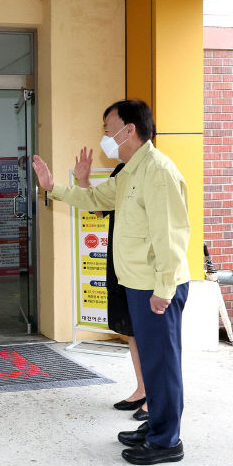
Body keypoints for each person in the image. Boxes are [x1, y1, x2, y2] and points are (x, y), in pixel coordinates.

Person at [32, 99, 190, 465]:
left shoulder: (158, 171)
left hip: (156, 286)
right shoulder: (129, 171)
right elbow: (95, 197)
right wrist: (53, 187)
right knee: (152, 361)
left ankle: (167, 441)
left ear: (129, 130)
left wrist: (164, 289)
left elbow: (171, 236)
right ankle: (155, 427)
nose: (105, 137)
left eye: (108, 129)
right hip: (137, 283)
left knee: (162, 362)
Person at [74, 149, 148, 422]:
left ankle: (155, 398)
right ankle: (142, 389)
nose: (109, 138)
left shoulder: (152, 171)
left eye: (111, 129)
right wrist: (83, 181)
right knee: (131, 329)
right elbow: (99, 206)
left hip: (142, 265)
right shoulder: (121, 171)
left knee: (148, 333)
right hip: (119, 262)